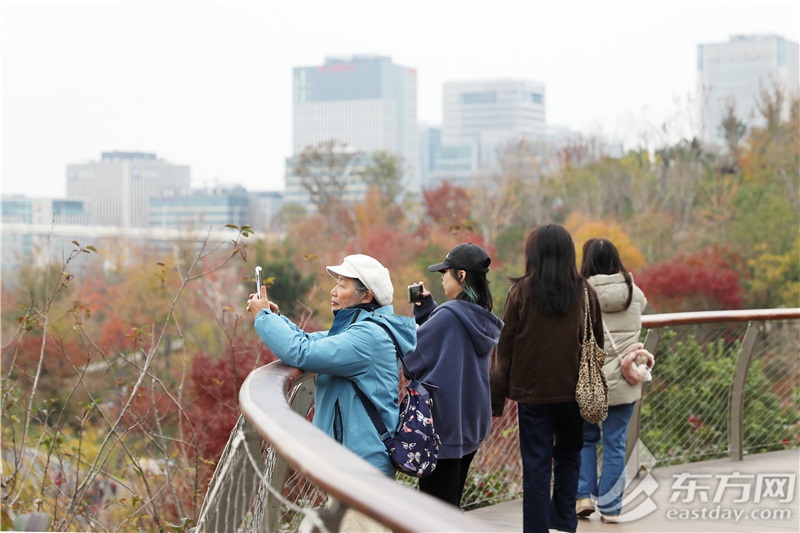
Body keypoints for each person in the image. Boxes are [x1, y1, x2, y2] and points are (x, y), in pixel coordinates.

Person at [246, 254, 417, 477]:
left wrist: (263, 318)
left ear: (366, 296)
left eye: (342, 285)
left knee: (353, 515)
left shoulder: (367, 337)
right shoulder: (361, 328)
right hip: (353, 461)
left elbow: (302, 353)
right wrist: (275, 317)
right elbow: (307, 341)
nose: (333, 291)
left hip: (361, 470)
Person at [491, 224, 603, 533]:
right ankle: (565, 524)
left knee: (536, 467)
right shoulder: (584, 291)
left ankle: (536, 529)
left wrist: (496, 398)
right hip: (573, 392)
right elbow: (598, 343)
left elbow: (505, 348)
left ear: (534, 254)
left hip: (532, 395)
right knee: (569, 459)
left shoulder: (521, 292)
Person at [403, 243, 504, 508]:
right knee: (450, 505)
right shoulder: (482, 318)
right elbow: (450, 349)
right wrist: (427, 313)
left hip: (443, 426)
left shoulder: (448, 317)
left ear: (461, 275)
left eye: (445, 272)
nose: (442, 278)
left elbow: (412, 360)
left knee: (434, 512)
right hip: (471, 422)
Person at [576, 238, 649, 522]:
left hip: (590, 381)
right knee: (615, 442)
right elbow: (641, 309)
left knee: (585, 439)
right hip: (624, 378)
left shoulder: (580, 294)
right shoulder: (633, 292)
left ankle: (583, 497)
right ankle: (611, 508)